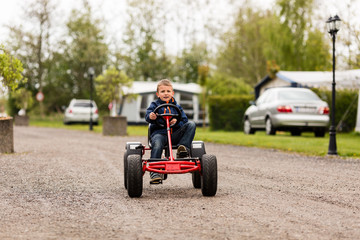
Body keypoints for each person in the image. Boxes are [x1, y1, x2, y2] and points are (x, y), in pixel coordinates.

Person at [145, 79, 196, 184]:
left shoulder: (177, 106)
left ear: (172, 93)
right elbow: (148, 115)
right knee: (157, 144)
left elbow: (184, 120)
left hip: (174, 135)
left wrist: (176, 122)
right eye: (163, 91)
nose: (166, 94)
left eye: (168, 91)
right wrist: (151, 116)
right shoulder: (154, 105)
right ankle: (155, 171)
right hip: (159, 134)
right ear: (158, 94)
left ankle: (183, 149)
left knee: (191, 124)